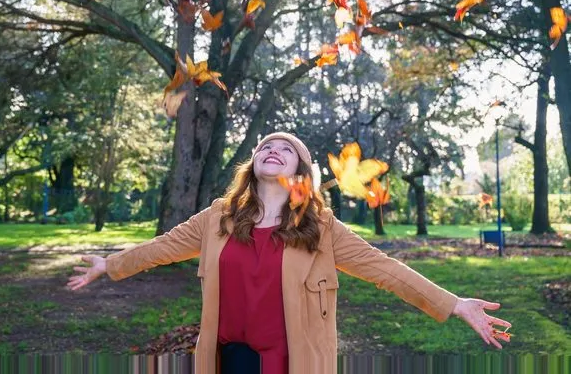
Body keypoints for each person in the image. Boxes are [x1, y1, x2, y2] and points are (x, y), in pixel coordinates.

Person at [68, 132, 511, 373]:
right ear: (254, 164)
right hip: (231, 358)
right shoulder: (218, 217)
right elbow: (163, 247)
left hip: (291, 360)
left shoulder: (320, 228)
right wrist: (111, 265)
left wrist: (453, 304)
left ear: (300, 172)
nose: (273, 151)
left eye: (287, 150)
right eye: (266, 146)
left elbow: (384, 269)